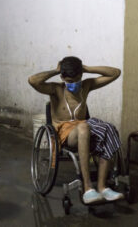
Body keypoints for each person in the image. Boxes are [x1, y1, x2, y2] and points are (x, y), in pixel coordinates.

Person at [28, 56, 124, 204]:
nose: (74, 84)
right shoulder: (56, 89)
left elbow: (115, 73)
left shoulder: (86, 86)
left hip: (84, 129)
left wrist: (87, 68)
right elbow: (32, 81)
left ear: (81, 75)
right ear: (63, 77)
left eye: (77, 80)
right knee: (84, 127)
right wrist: (55, 70)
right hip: (65, 134)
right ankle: (87, 188)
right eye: (70, 82)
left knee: (107, 128)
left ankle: (102, 187)